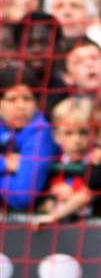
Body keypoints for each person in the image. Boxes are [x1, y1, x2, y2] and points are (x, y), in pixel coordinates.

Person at [0, 64, 58, 214]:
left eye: (27, 99)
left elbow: (22, 197)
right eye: (12, 99)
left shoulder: (42, 133)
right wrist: (4, 163)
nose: (21, 106)